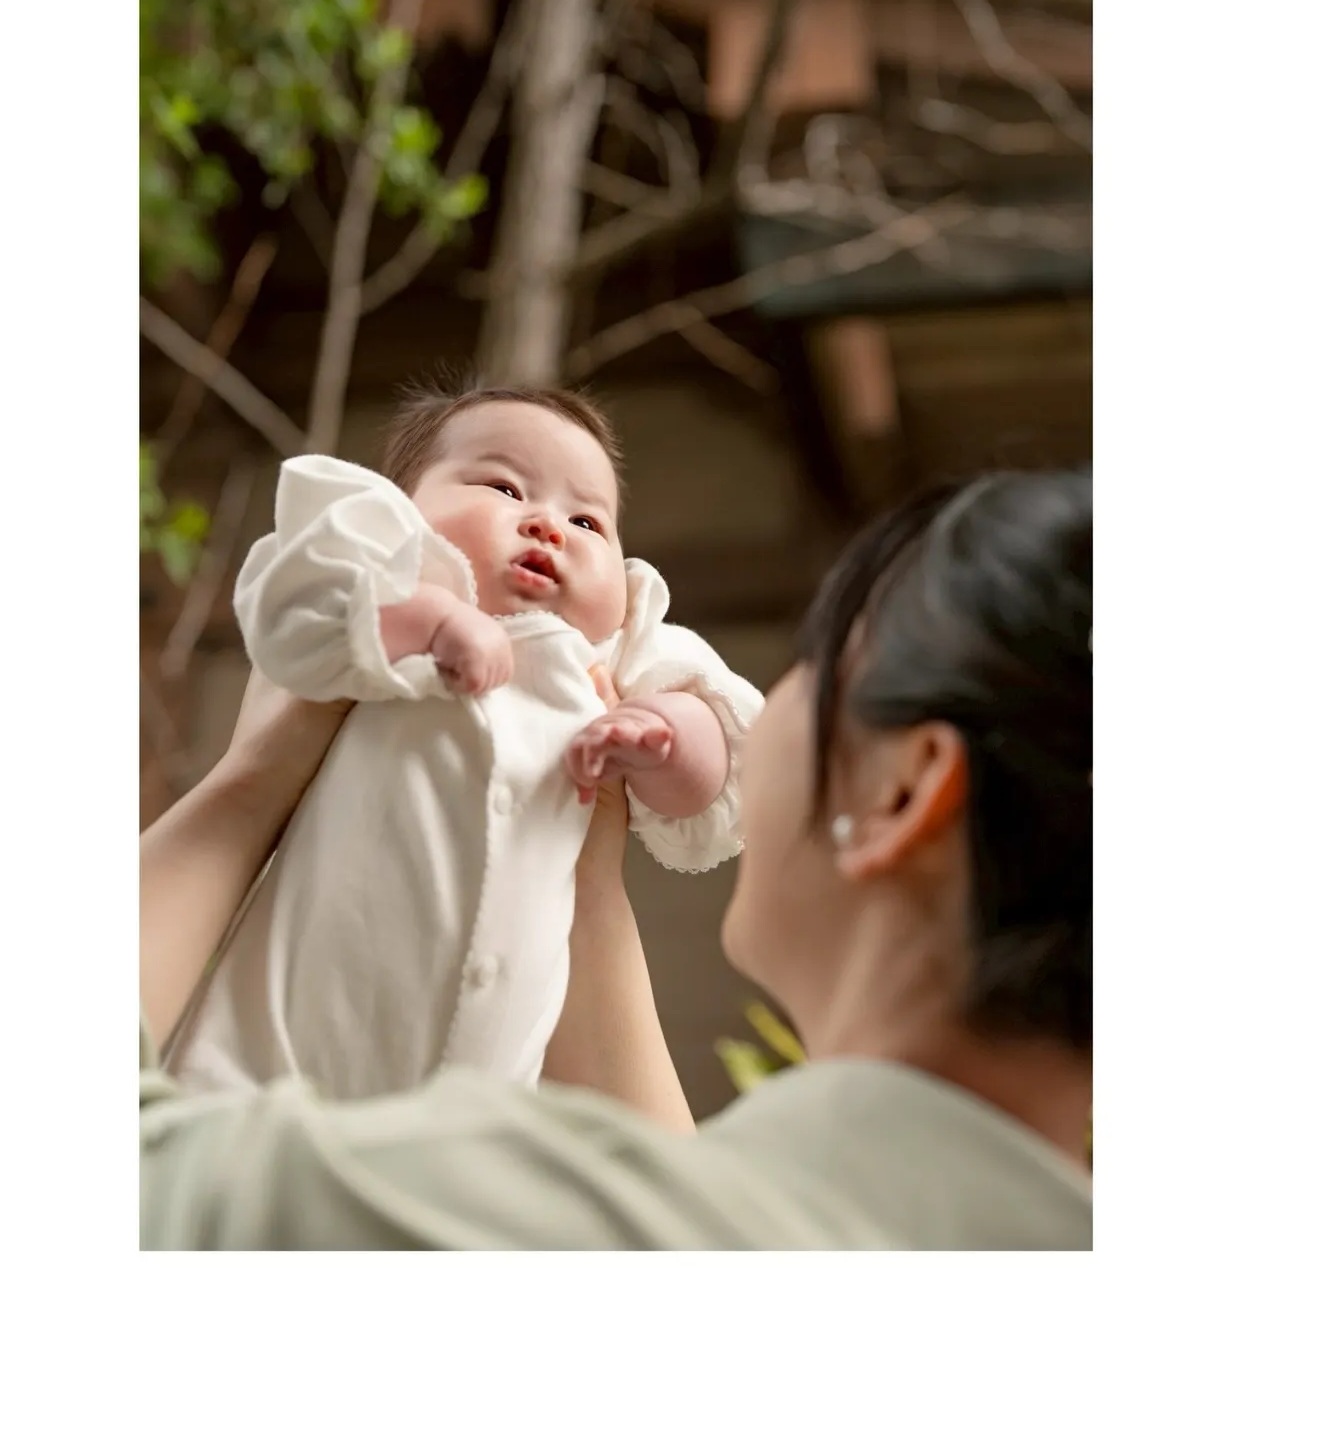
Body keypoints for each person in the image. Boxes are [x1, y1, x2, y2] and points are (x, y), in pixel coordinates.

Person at [141, 467, 1092, 1249]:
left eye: (821, 652)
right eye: (505, 488)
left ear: (901, 790)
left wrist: (246, 789)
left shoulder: (470, 1207)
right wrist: (588, 888)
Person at [166, 382, 762, 1098]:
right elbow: (287, 611)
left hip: (474, 1115)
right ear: (403, 512)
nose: (549, 525)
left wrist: (666, 735)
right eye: (506, 488)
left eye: (588, 519)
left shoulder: (617, 655)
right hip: (267, 1076)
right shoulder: (378, 586)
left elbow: (723, 770)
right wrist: (428, 619)